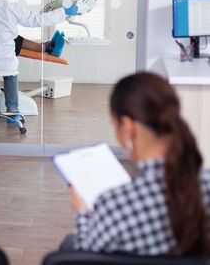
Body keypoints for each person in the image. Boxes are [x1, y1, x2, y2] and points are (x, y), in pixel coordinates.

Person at [67, 72, 210, 256]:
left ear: (128, 127)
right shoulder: (206, 185)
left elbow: (84, 256)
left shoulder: (115, 205)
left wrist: (82, 214)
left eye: (114, 125)